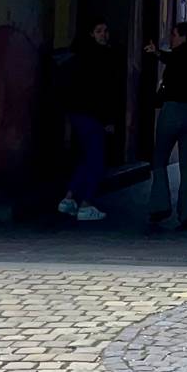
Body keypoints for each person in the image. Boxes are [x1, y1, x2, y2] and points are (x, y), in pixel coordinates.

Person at [142, 20, 187, 229]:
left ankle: (160, 206)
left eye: (173, 34)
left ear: (181, 37)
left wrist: (156, 53)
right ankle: (186, 213)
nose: (171, 38)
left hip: (172, 112)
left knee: (160, 159)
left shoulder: (176, 59)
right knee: (186, 165)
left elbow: (171, 59)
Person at [58, 20, 118, 222]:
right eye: (99, 31)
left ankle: (69, 199)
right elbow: (104, 92)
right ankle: (86, 204)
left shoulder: (77, 57)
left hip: (77, 113)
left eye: (105, 30)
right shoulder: (103, 58)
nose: (104, 34)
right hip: (93, 115)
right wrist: (108, 119)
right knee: (97, 160)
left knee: (85, 157)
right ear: (92, 34)